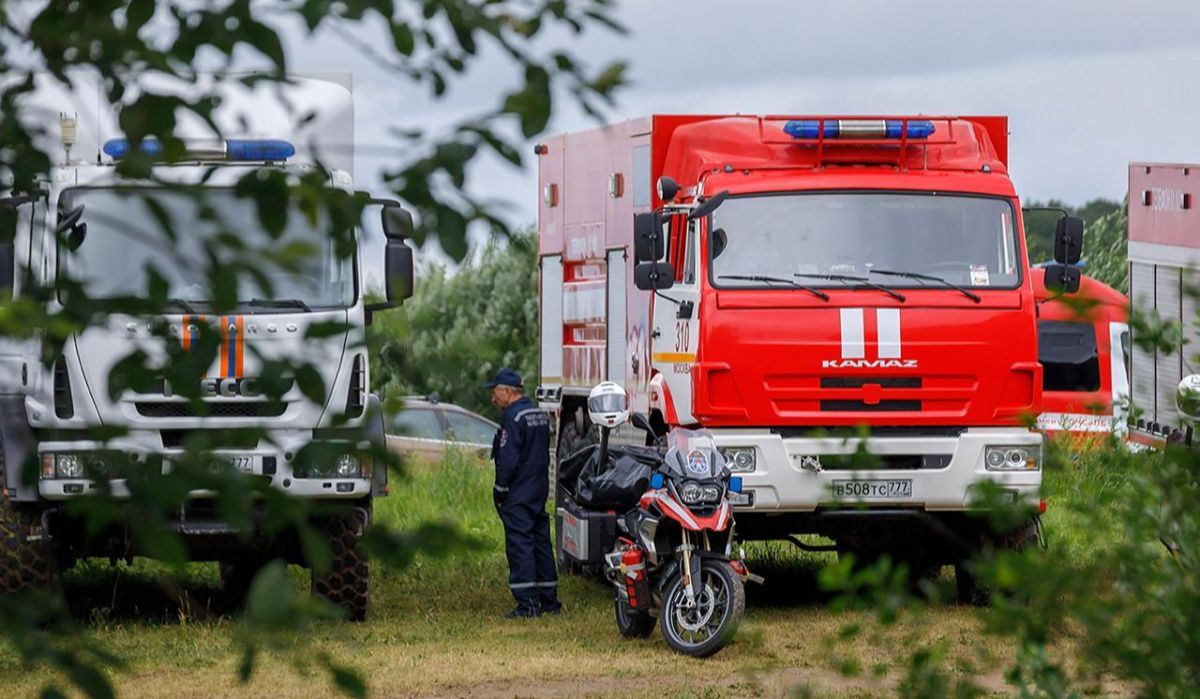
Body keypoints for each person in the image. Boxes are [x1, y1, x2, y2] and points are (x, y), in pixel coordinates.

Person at [486, 368, 561, 618]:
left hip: (518, 491)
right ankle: (549, 601)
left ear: (508, 391)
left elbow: (508, 459)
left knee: (520, 544)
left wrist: (500, 489)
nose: (492, 398)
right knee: (541, 542)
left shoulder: (513, 417)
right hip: (539, 488)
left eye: (495, 392)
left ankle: (528, 604)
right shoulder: (537, 414)